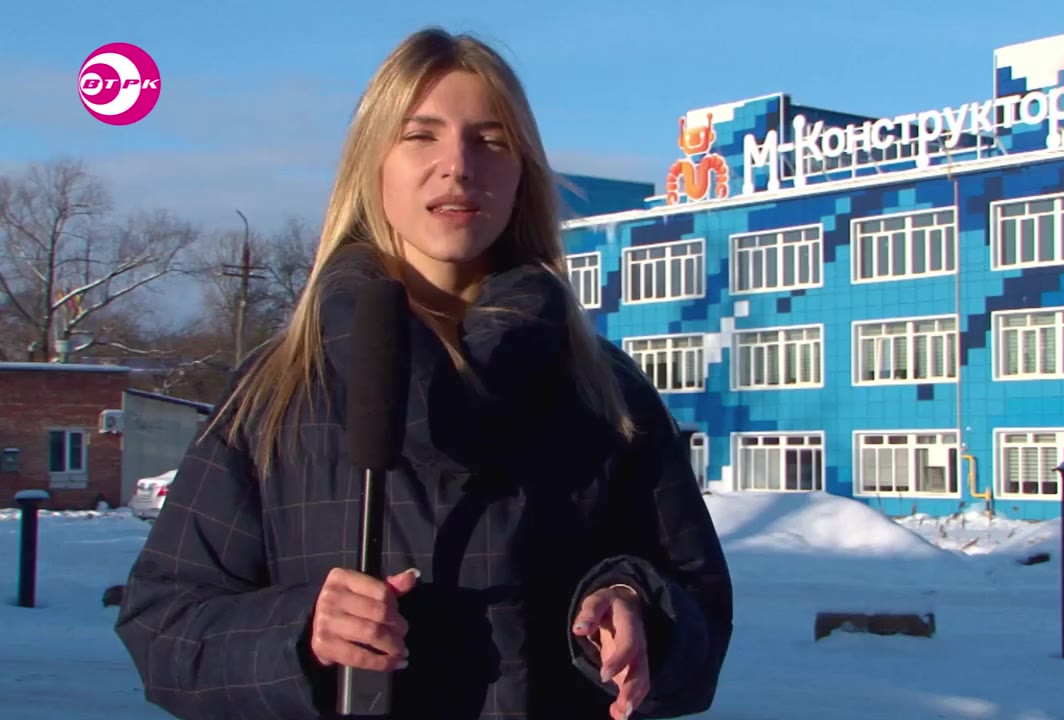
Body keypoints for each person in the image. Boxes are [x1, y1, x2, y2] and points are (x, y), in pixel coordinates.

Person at [114, 27, 733, 720]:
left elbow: (698, 607)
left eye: (491, 140)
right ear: (372, 165)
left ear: (522, 173)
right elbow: (163, 625)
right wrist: (301, 630)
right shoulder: (278, 391)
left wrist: (636, 608)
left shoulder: (605, 393)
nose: (458, 165)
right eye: (420, 135)